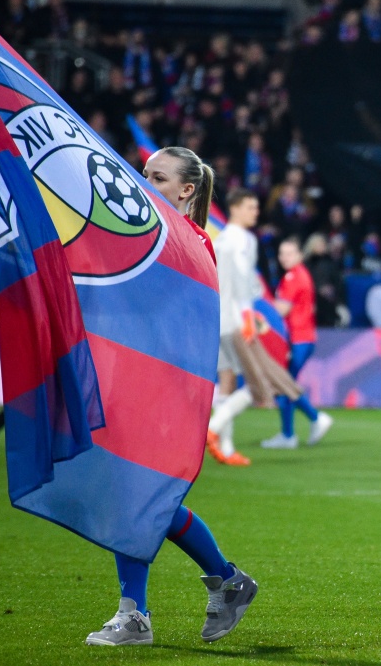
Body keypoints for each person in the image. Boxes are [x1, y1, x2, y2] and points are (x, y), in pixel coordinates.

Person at [86, 146, 258, 646]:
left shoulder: (191, 241)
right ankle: (224, 580)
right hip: (129, 378)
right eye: (144, 174)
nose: (146, 183)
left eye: (158, 177)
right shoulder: (143, 235)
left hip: (162, 386)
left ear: (186, 190)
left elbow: (174, 320)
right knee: (140, 499)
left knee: (135, 497)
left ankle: (135, 614)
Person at [205, 189, 304, 466]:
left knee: (227, 381)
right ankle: (214, 428)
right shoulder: (244, 240)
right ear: (235, 208)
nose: (255, 212)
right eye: (250, 207)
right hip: (238, 321)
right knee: (260, 383)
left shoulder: (220, 240)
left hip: (220, 319)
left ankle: (226, 448)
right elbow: (243, 280)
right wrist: (250, 315)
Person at [262, 236, 333, 449]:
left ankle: (309, 421)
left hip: (298, 339)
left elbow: (282, 310)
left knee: (284, 384)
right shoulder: (299, 274)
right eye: (282, 253)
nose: (284, 257)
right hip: (303, 338)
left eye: (289, 253)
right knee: (285, 384)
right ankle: (291, 432)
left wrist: (260, 305)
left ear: (299, 255)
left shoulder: (293, 277)